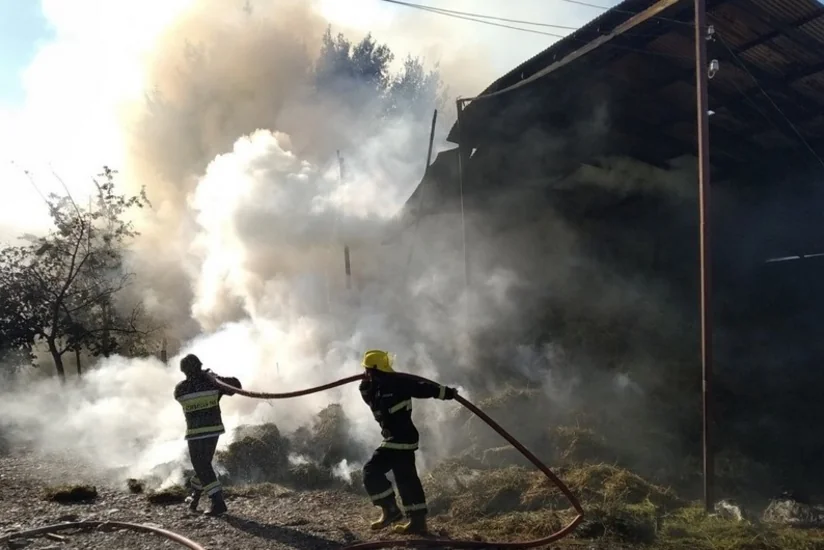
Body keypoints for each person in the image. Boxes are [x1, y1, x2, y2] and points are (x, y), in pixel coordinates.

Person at [359, 349, 457, 535]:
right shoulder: (376, 389)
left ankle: (391, 510)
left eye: (367, 370)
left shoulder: (398, 383)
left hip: (400, 439)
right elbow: (372, 403)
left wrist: (447, 393)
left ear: (374, 370)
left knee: (371, 471)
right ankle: (417, 523)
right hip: (396, 439)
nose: (365, 373)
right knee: (406, 480)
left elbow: (423, 388)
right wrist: (364, 386)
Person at [174, 353, 242, 516]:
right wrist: (214, 377)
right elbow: (236, 386)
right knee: (203, 465)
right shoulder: (212, 384)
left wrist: (209, 379)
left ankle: (217, 502)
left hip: (195, 433)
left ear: (184, 371)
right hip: (213, 431)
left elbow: (181, 395)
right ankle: (195, 496)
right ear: (200, 366)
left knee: (201, 465)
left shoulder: (181, 388)